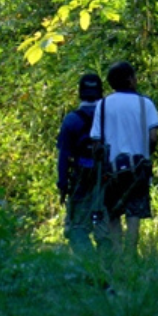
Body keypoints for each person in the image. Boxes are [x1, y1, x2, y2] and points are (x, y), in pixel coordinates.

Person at [90, 61, 158, 256]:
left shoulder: (102, 105)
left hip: (111, 169)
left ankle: (118, 252)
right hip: (138, 166)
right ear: (130, 79)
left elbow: (96, 141)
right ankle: (131, 251)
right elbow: (153, 136)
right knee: (134, 211)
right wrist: (147, 151)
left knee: (113, 213)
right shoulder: (145, 103)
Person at [56, 73, 111, 255]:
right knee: (105, 230)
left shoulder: (71, 120)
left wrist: (63, 184)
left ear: (80, 93)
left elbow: (64, 156)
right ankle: (109, 267)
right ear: (100, 93)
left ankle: (90, 267)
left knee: (76, 228)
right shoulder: (109, 118)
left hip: (81, 180)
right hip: (109, 179)